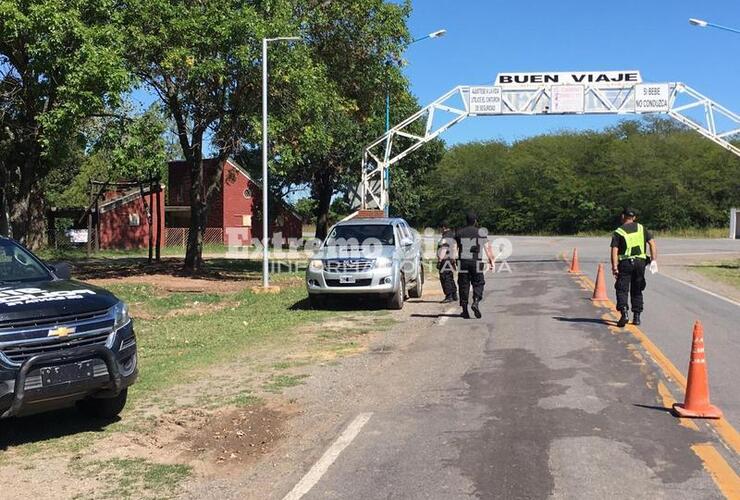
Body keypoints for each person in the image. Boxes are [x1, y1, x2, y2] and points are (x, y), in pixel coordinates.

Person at [610, 208, 658, 327]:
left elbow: (614, 250)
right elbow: (652, 243)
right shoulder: (642, 228)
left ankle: (624, 313)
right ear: (634, 218)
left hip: (625, 263)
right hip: (640, 263)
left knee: (622, 288)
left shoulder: (619, 231)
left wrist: (614, 267)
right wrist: (653, 260)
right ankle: (637, 317)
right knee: (637, 289)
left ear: (623, 217)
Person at [455, 212, 495, 319]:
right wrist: (492, 261)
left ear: (466, 221)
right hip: (476, 261)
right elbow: (487, 247)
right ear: (475, 221)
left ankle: (465, 310)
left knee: (463, 284)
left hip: (463, 262)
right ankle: (476, 301)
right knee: (478, 283)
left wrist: (454, 261)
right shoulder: (481, 232)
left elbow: (455, 248)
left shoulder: (459, 232)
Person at [437, 221, 458, 303]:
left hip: (445, 259)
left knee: (445, 277)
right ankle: (454, 294)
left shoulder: (446, 236)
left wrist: (439, 260)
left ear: (443, 227)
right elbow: (455, 247)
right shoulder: (452, 235)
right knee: (450, 277)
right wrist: (453, 258)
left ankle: (448, 296)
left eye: (440, 228)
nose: (439, 230)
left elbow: (444, 249)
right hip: (451, 259)